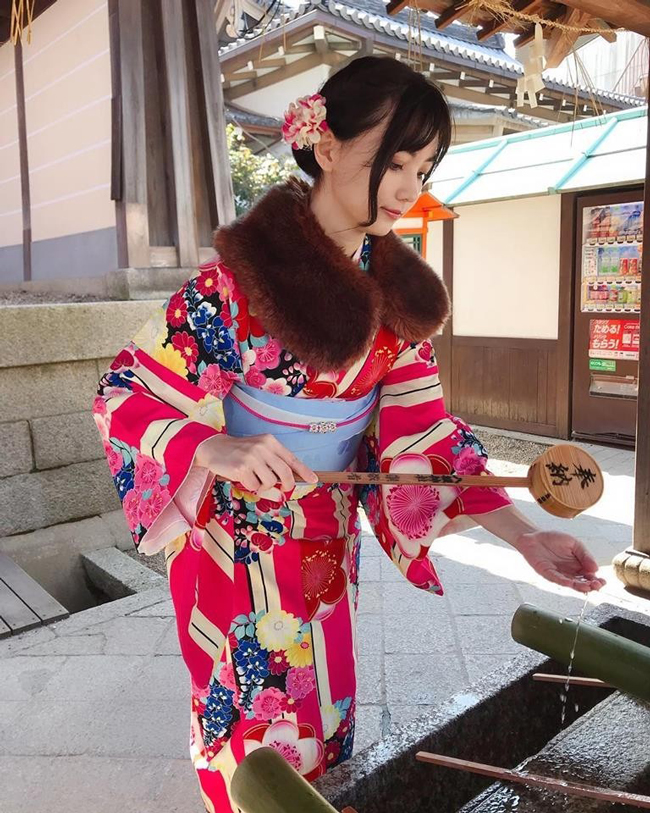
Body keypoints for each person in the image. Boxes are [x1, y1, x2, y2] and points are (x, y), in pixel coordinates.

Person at [93, 56, 604, 812]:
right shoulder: (232, 285)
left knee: (325, 704)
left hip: (326, 535)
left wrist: (524, 535)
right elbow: (124, 391)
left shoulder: (397, 301)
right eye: (392, 163)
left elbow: (430, 439)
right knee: (249, 714)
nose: (409, 187)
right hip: (235, 538)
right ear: (326, 145)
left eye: (423, 168)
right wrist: (212, 445)